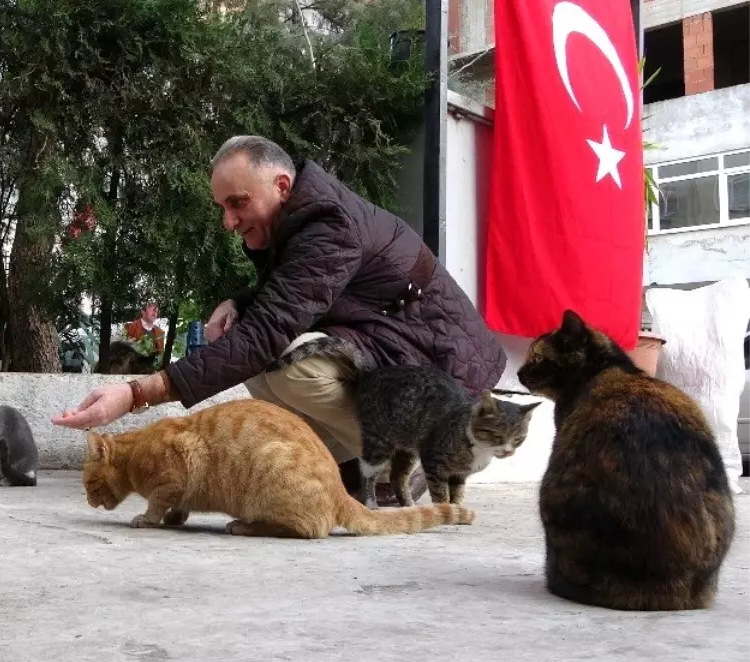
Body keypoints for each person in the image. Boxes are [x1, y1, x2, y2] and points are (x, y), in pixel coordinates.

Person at [52, 135, 506, 504]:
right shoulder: (299, 224)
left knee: (286, 363)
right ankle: (338, 470)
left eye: (238, 203)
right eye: (223, 209)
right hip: (396, 345)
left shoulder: (329, 224)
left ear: (283, 187)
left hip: (439, 366)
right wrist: (240, 302)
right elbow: (307, 290)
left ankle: (404, 462)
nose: (229, 222)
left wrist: (136, 394)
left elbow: (269, 332)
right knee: (264, 365)